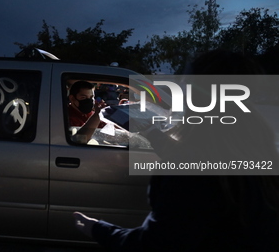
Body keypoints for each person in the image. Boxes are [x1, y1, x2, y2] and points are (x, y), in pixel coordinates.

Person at [73, 50, 279, 251]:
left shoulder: (190, 168)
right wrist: (151, 132)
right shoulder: (260, 149)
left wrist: (97, 229)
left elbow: (155, 244)